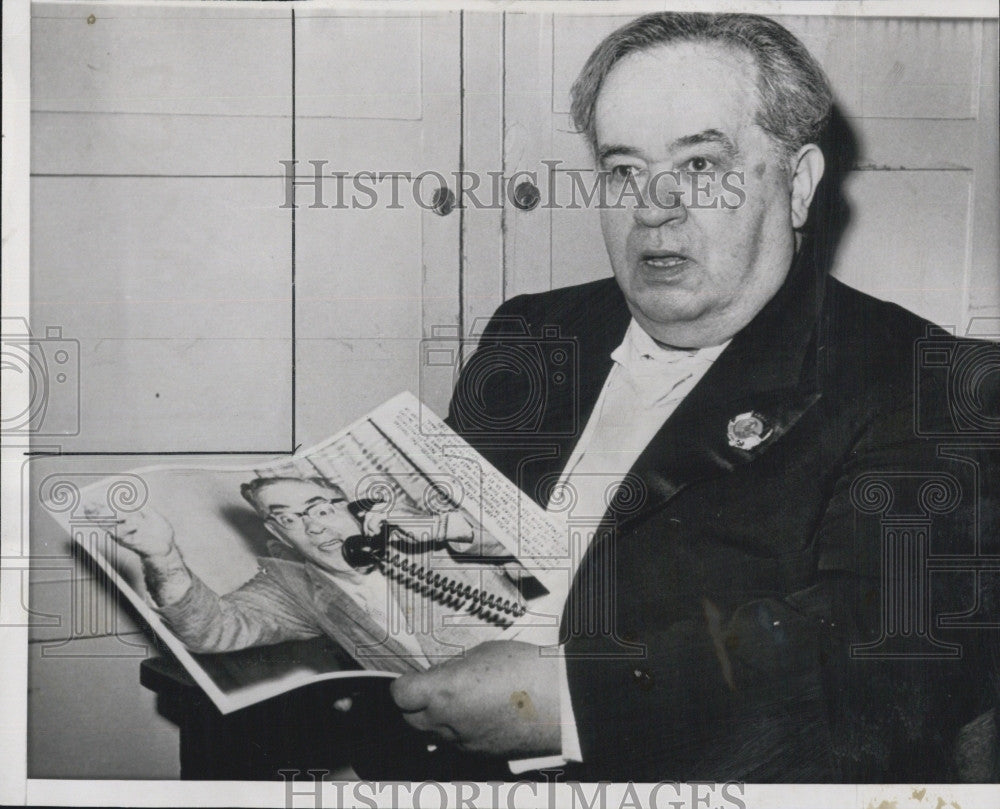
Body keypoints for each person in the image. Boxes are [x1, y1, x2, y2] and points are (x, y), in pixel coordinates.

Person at [386, 12, 1000, 781]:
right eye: (623, 169)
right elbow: (422, 564)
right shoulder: (534, 334)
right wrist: (281, 617)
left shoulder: (933, 381)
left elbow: (883, 659)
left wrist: (566, 700)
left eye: (703, 165)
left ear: (799, 183)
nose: (654, 205)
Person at [89, 475, 493, 673]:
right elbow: (210, 630)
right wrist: (162, 556)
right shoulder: (295, 585)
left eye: (319, 509)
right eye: (287, 519)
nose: (313, 529)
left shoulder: (430, 534)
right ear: (276, 532)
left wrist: (449, 529)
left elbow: (534, 547)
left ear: (354, 507)